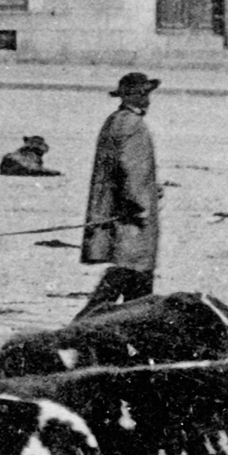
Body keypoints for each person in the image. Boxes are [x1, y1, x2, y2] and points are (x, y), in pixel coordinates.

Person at [78, 73, 162, 318]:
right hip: (131, 215)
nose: (146, 99)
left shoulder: (114, 120)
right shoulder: (133, 124)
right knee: (132, 269)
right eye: (142, 94)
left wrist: (148, 188)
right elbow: (131, 169)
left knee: (133, 274)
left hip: (116, 208)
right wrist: (142, 204)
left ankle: (137, 331)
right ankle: (81, 325)